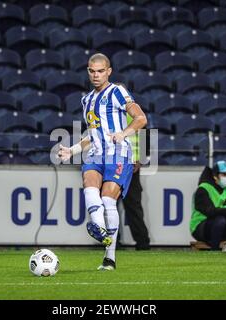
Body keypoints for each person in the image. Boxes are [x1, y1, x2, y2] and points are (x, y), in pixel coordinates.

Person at [58, 53, 147, 270]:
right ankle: (99, 228)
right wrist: (73, 150)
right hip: (96, 155)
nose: (96, 75)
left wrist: (123, 134)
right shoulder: (86, 100)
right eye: (92, 71)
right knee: (89, 185)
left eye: (100, 71)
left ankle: (110, 256)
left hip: (119, 155)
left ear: (109, 71)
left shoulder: (117, 91)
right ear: (88, 71)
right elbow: (93, 133)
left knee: (108, 201)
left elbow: (141, 118)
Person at [120, 88, 150, 251]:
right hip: (112, 165)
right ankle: (112, 244)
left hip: (131, 168)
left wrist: (140, 160)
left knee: (133, 207)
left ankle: (143, 243)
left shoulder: (133, 112)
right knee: (109, 207)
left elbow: (144, 136)